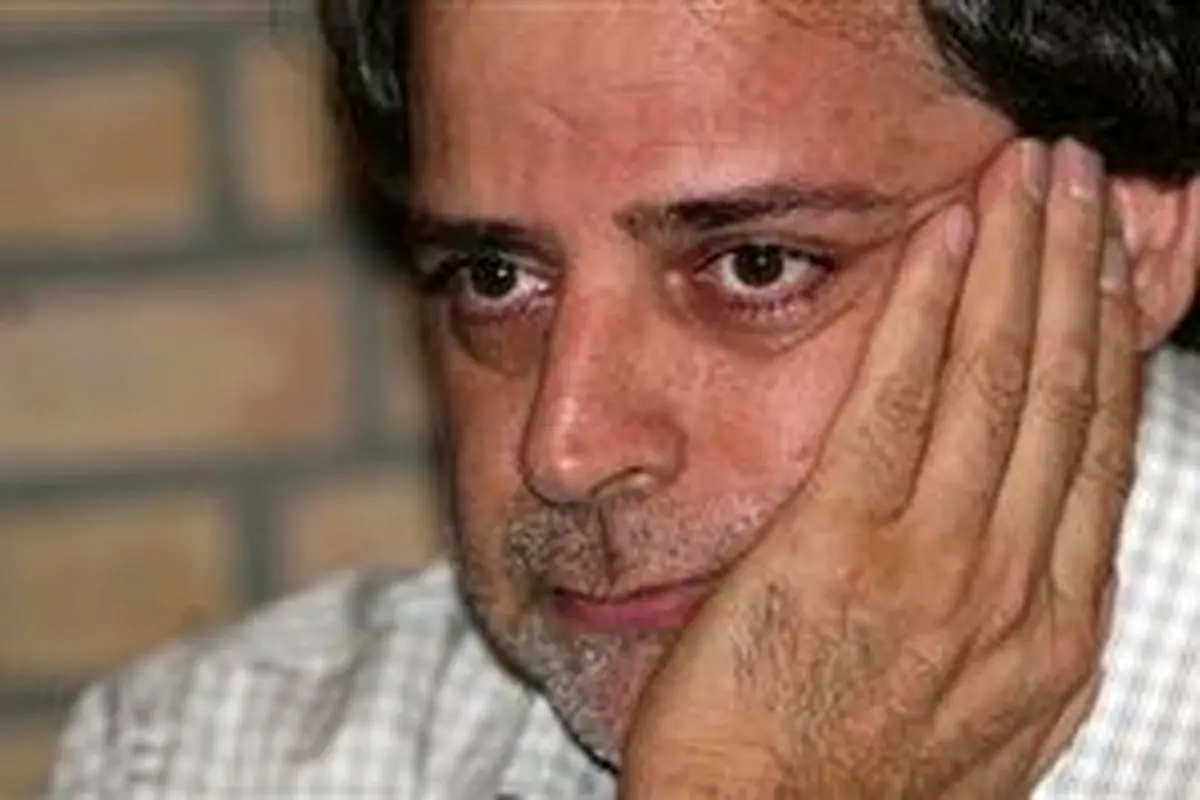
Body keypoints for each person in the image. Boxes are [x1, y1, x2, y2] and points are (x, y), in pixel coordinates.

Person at [49, 0, 1200, 796]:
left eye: (756, 264)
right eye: (494, 278)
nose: (566, 444)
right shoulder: (201, 755)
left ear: (1132, 238)